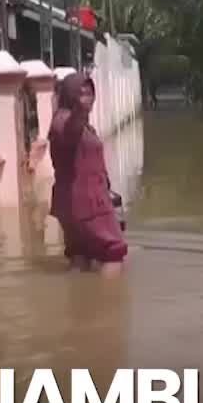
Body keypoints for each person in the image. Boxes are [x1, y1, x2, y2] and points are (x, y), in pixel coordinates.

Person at [49, 70, 128, 276]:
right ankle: (110, 304)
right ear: (70, 95)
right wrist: (80, 111)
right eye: (81, 93)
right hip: (88, 203)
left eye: (90, 93)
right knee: (113, 252)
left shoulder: (70, 123)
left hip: (71, 204)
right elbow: (70, 131)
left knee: (80, 254)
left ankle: (78, 305)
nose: (88, 99)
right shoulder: (65, 122)